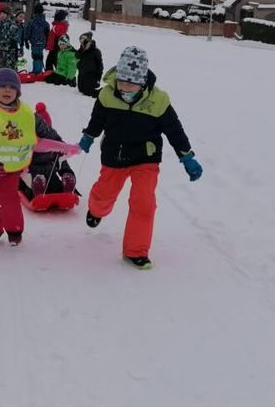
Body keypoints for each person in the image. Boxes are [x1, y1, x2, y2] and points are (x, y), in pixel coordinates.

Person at [78, 46, 203, 270]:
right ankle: (96, 210)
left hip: (145, 158)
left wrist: (186, 157)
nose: (125, 87)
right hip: (114, 156)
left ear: (143, 82)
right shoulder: (107, 94)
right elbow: (97, 120)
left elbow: (175, 130)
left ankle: (135, 251)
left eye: (131, 83)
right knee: (103, 195)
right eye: (122, 81)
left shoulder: (159, 100)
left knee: (144, 203)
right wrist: (88, 136)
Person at [0, 68, 80, 247]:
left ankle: (14, 230)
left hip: (13, 168)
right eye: (2, 86)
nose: (7, 90)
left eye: (12, 87)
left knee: (10, 199)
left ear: (18, 91)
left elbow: (45, 131)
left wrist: (63, 146)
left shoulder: (26, 113)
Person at [0, 6, 24, 71]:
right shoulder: (0, 23)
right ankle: (2, 75)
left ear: (7, 15)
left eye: (3, 14)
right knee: (2, 63)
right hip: (2, 48)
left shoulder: (11, 23)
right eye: (1, 14)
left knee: (10, 64)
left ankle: (12, 75)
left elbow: (15, 33)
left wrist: (13, 41)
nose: (2, 15)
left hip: (10, 48)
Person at [76, 31, 104, 97]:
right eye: (81, 43)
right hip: (81, 74)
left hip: (91, 75)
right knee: (81, 90)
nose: (83, 44)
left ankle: (103, 92)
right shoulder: (82, 50)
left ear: (90, 42)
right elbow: (76, 55)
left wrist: (98, 79)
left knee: (89, 93)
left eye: (85, 43)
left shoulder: (96, 51)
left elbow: (100, 65)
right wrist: (81, 49)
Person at [26, 3, 50, 74]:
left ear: (34, 12)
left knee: (35, 56)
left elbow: (28, 32)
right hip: (42, 42)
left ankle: (37, 71)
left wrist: (26, 40)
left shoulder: (32, 22)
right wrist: (47, 42)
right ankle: (38, 69)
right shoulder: (45, 23)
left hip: (34, 42)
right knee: (40, 55)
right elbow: (48, 33)